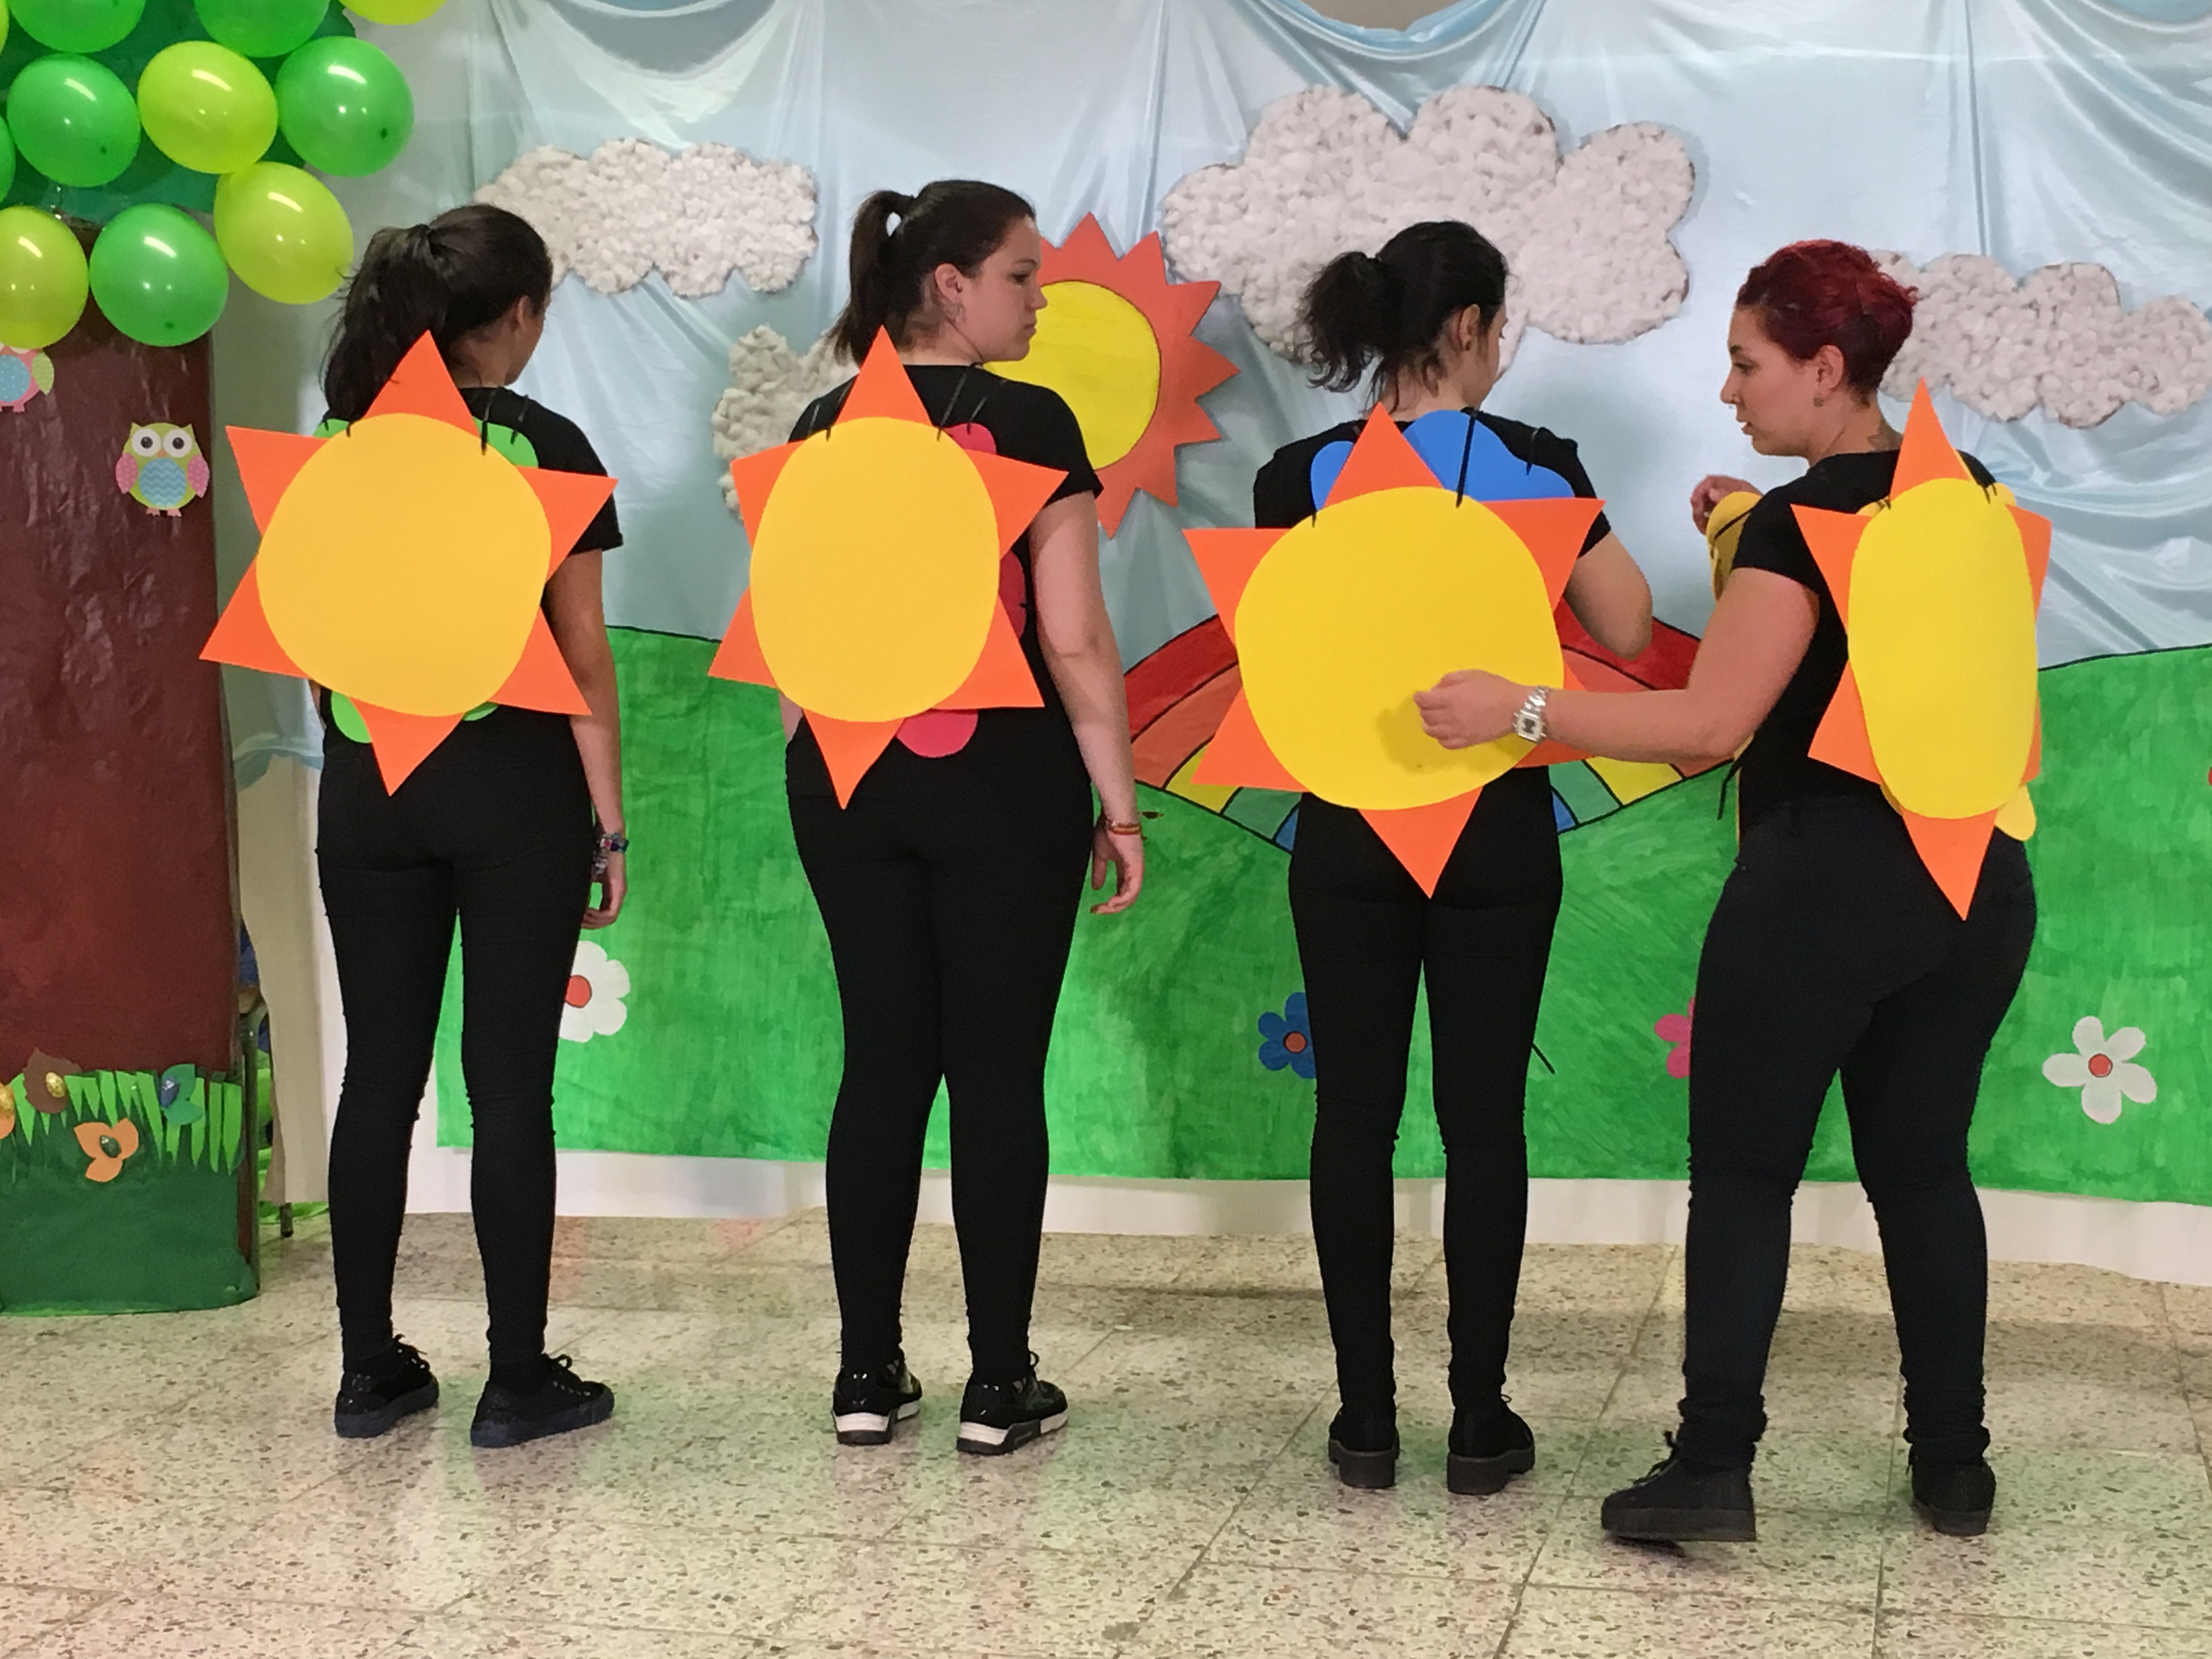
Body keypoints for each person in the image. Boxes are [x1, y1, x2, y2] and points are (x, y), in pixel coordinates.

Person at [1412, 240, 2036, 1539]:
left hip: (1824, 893)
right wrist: (1744, 533)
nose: (1730, 391)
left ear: (1825, 368)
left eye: (1749, 365)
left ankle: (1712, 1466)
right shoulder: (1966, 495)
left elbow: (1708, 726)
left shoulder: (1802, 528)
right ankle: (1957, 1465)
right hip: (1975, 883)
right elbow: (1877, 656)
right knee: (1925, 1172)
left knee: (1746, 1179)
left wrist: (1519, 709)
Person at [1251, 221, 1654, 1493]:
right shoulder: (1537, 465)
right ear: (1471, 325)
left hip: (1347, 830)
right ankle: (1481, 1420)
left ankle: (1364, 1420)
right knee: (1484, 1125)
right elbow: (1630, 629)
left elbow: (1279, 658)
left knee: (1352, 1120)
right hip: (1494, 826)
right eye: (1501, 324)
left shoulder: (1294, 479)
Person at [785, 181, 1144, 1456]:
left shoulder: (824, 423)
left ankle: (865, 1375)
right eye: (1022, 276)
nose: (1039, 300)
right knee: (996, 1073)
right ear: (951, 285)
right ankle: (999, 1384)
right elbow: (1075, 636)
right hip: (1003, 780)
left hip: (844, 776)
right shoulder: (1031, 422)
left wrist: (821, 769)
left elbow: (794, 628)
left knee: (881, 1065)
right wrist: (1120, 806)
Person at [317, 204, 628, 1448]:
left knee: (378, 1078)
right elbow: (583, 657)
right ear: (517, 316)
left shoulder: (336, 441)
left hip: (366, 780)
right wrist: (609, 825)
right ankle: (517, 1380)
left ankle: (367, 1372)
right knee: (509, 1088)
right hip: (511, 787)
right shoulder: (543, 444)